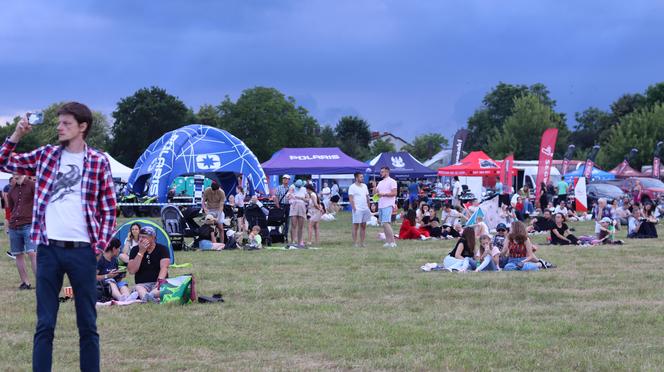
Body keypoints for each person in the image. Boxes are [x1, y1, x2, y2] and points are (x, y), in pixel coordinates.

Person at [0, 102, 117, 371]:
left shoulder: (98, 161)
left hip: (83, 252)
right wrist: (17, 134)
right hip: (48, 250)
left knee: (87, 324)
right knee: (44, 324)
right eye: (59, 123)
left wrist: (97, 247)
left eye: (66, 123)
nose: (59, 127)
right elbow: (4, 161)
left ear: (82, 127)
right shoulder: (46, 156)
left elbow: (109, 208)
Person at [7, 174, 37, 289]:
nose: (15, 173)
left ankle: (40, 283)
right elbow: (11, 207)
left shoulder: (32, 185)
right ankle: (25, 282)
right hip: (14, 225)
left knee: (32, 253)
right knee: (18, 254)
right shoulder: (12, 189)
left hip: (29, 224)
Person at [127, 226, 170, 303]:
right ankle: (149, 298)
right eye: (140, 237)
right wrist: (141, 252)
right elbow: (131, 271)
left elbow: (164, 268)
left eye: (144, 237)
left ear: (153, 238)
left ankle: (149, 297)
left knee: (162, 289)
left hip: (158, 283)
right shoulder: (135, 250)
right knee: (138, 288)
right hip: (142, 284)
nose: (141, 239)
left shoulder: (162, 249)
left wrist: (159, 282)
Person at [376, 167, 398, 248]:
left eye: (382, 172)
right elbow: (376, 193)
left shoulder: (392, 181)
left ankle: (393, 242)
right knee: (384, 224)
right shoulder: (380, 182)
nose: (381, 173)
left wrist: (383, 194)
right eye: (380, 172)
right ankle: (388, 242)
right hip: (381, 205)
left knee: (386, 223)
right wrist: (375, 188)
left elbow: (394, 193)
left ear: (387, 172)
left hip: (388, 204)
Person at [348, 172, 371, 247]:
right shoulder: (352, 187)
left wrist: (368, 206)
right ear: (356, 178)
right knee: (356, 226)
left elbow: (367, 197)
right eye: (361, 177)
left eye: (362, 177)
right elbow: (351, 199)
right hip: (357, 209)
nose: (362, 178)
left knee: (364, 226)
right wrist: (354, 208)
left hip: (365, 208)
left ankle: (362, 243)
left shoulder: (364, 186)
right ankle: (355, 243)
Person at [287, 179, 309, 247]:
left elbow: (307, 200)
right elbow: (288, 197)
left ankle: (300, 241)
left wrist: (300, 198)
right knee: (293, 224)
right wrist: (291, 193)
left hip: (302, 207)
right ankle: (293, 241)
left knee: (301, 226)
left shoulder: (304, 189)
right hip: (294, 206)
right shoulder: (292, 187)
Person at [273, 175, 291, 242]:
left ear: (289, 180)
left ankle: (285, 235)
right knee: (279, 220)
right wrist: (277, 205)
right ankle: (277, 234)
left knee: (287, 221)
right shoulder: (279, 188)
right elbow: (276, 197)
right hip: (281, 205)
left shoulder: (290, 188)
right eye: (284, 179)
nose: (285, 180)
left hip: (288, 206)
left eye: (287, 179)